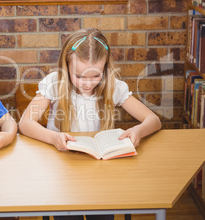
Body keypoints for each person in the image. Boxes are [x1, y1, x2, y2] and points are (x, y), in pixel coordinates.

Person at [19, 28, 161, 220]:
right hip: (63, 171)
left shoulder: (113, 86)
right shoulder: (54, 83)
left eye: (96, 76)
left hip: (100, 174)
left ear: (105, 69)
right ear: (66, 65)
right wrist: (53, 138)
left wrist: (138, 131)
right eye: (79, 76)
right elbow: (25, 123)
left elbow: (154, 120)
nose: (87, 84)